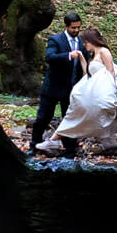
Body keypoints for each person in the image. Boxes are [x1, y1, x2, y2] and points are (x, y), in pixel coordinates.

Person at [35, 28, 117, 158]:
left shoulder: (104, 51)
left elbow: (110, 72)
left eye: (85, 43)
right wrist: (81, 57)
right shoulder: (93, 56)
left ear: (91, 41)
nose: (84, 45)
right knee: (76, 113)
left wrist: (112, 93)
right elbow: (88, 74)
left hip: (112, 92)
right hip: (100, 93)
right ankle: (54, 140)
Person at [30, 12, 85, 156]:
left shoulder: (81, 42)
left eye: (78, 27)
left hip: (71, 89)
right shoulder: (56, 40)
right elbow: (50, 57)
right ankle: (34, 145)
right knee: (43, 118)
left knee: (70, 119)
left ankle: (70, 149)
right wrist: (68, 55)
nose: (76, 30)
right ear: (66, 26)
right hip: (53, 88)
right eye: (73, 28)